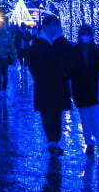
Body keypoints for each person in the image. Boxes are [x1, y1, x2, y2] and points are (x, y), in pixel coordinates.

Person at [27, 14, 75, 157]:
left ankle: (55, 139)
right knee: (46, 112)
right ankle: (51, 140)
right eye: (50, 25)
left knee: (57, 112)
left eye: (55, 25)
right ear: (45, 26)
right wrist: (38, 77)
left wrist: (66, 74)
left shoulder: (63, 43)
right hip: (43, 84)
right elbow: (32, 63)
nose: (53, 28)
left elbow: (71, 62)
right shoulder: (37, 43)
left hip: (60, 84)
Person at [70, 23, 99, 157]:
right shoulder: (76, 50)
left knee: (97, 118)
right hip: (81, 90)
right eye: (84, 34)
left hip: (95, 90)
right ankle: (89, 143)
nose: (85, 36)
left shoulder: (97, 49)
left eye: (87, 34)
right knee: (86, 119)